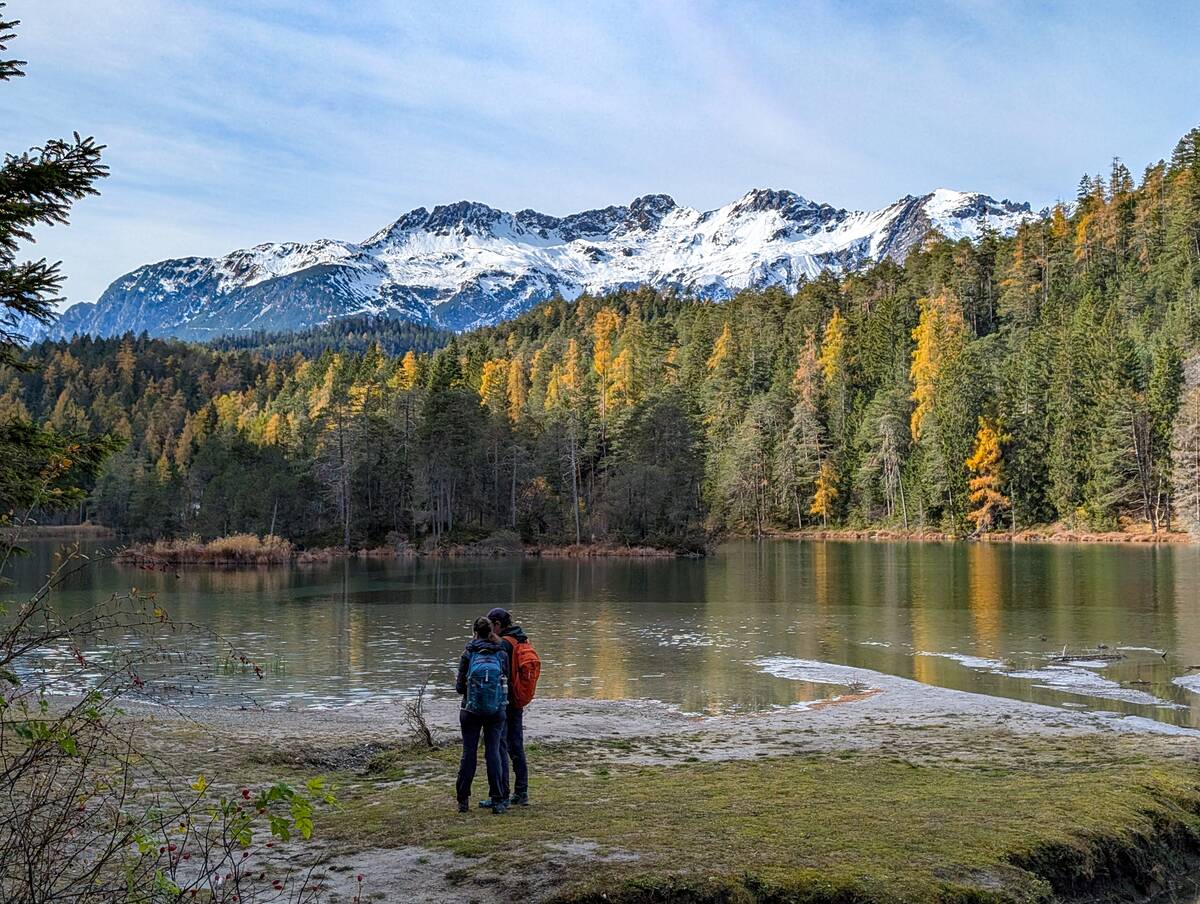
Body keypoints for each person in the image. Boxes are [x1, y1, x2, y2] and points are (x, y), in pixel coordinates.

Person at [455, 617, 509, 815]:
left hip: (470, 710)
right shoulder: (502, 653)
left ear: (474, 632)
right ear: (491, 632)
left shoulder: (468, 653)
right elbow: (506, 680)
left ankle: (463, 800)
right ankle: (497, 800)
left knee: (469, 753)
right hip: (496, 711)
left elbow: (460, 688)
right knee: (493, 753)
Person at [480, 606, 530, 808]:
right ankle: (521, 792)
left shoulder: (504, 644)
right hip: (517, 699)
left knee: (500, 746)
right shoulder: (521, 638)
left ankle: (501, 794)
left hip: (504, 701)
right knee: (516, 745)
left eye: (491, 626)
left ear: (498, 625)